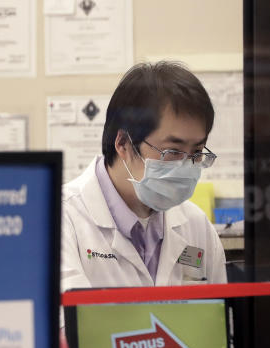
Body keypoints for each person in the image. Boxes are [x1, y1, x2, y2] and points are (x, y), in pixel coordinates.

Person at [61, 62, 227, 291]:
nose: (186, 166)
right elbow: (65, 323)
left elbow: (218, 319)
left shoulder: (196, 226)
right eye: (173, 151)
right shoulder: (62, 220)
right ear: (123, 143)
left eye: (197, 153)